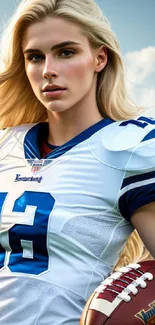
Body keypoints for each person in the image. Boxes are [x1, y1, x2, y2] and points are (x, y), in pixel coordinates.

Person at [0, 0, 154, 324]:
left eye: (66, 52)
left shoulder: (128, 148)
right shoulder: (5, 144)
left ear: (99, 58)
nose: (48, 70)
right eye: (35, 57)